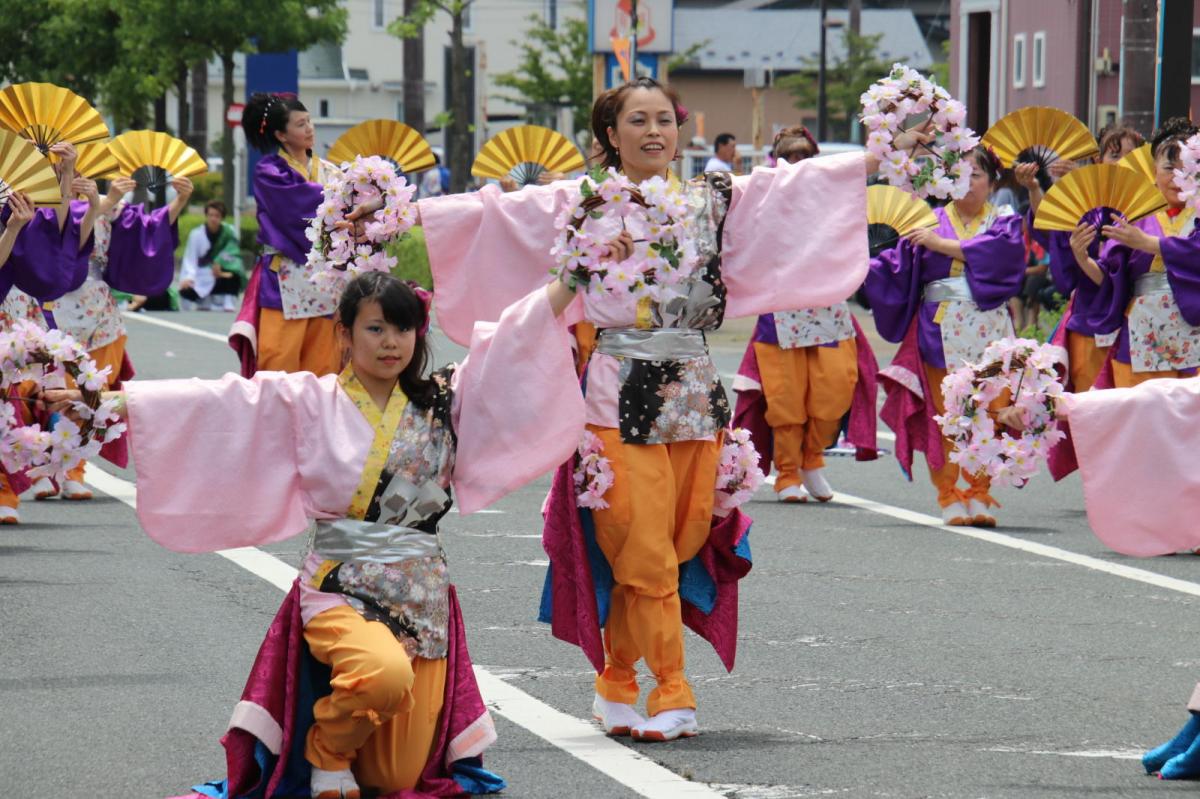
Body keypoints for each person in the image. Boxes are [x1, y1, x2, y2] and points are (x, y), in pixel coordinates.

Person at [406, 76, 911, 742]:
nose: (654, 131)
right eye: (636, 120)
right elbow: (494, 215)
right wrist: (399, 214)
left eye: (664, 119)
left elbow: (788, 191)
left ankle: (616, 679)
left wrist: (877, 159)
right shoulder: (579, 201)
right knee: (641, 547)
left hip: (695, 391)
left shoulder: (712, 197)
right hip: (616, 396)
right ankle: (673, 689)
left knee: (677, 542)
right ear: (609, 135)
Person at [42, 270, 585, 799]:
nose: (391, 342)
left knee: (394, 777)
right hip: (341, 588)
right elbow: (216, 403)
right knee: (382, 673)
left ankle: (342, 746)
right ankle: (326, 751)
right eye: (375, 328)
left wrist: (576, 274)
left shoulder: (443, 399)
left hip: (423, 595)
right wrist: (107, 401)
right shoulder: (307, 399)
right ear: (344, 334)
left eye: (402, 328)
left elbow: (511, 342)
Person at [865, 146, 1026, 528]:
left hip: (991, 329)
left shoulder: (1005, 222)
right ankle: (948, 493)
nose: (968, 185)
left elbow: (1003, 257)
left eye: (977, 176)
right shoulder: (929, 220)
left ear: (992, 182)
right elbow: (895, 266)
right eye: (959, 177)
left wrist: (941, 245)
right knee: (949, 414)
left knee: (990, 410)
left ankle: (980, 491)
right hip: (939, 328)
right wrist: (861, 263)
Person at [732, 125, 880, 502]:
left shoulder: (833, 193)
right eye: (789, 156)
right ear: (776, 160)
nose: (797, 163)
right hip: (781, 308)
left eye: (804, 156)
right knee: (785, 399)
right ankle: (786, 474)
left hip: (826, 303)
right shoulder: (761, 193)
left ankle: (812, 458)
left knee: (835, 388)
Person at [31, 173, 188, 502]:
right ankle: (41, 466)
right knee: (45, 392)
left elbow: (147, 230)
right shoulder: (41, 202)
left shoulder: (106, 200)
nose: (75, 174)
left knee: (92, 394)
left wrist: (179, 201)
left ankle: (75, 470)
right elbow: (66, 236)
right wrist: (106, 200)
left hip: (100, 311)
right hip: (51, 304)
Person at [0, 143, 99, 523]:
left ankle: (34, 476)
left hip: (21, 312)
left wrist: (68, 173)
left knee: (28, 398)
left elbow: (61, 239)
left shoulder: (33, 200)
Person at [1074, 117, 1200, 389]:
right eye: (1168, 167)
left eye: (1187, 168)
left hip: (1194, 325)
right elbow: (1111, 277)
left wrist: (1150, 244)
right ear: (1153, 170)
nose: (1178, 177)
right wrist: (1083, 258)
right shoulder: (1134, 215)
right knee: (1140, 417)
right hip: (1144, 329)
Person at [229, 92, 342, 378]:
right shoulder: (270, 172)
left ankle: (318, 423)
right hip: (285, 279)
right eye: (301, 124)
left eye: (309, 121)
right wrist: (344, 196)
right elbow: (300, 204)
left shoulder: (330, 171)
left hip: (326, 282)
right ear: (281, 134)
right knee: (278, 365)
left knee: (325, 369)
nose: (310, 129)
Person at [180, 200, 243, 311]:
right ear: (206, 216)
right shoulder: (196, 234)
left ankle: (228, 301)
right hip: (202, 274)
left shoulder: (230, 232)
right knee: (186, 290)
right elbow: (190, 259)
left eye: (217, 216)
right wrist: (189, 277)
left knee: (234, 276)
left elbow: (233, 253)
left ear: (222, 217)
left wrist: (220, 263)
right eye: (211, 215)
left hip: (221, 273)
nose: (213, 219)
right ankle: (205, 301)